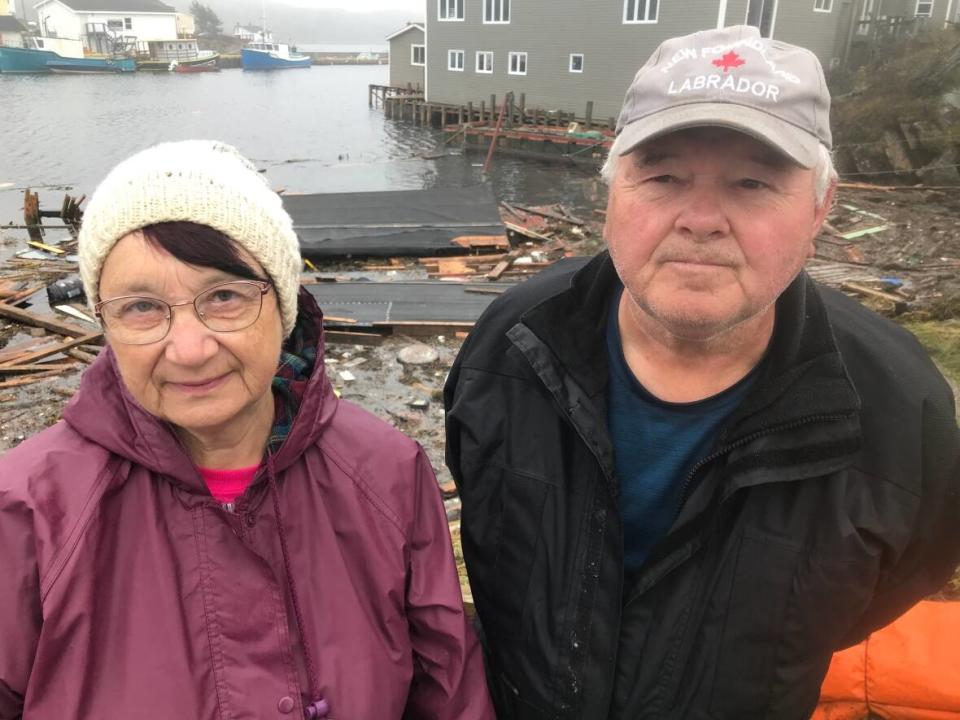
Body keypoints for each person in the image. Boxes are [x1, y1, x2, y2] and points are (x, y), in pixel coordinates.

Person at [444, 25, 960, 719]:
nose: (702, 220)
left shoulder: (900, 411)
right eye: (662, 177)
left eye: (753, 183)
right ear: (612, 194)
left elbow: (898, 580)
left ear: (819, 211)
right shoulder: (510, 349)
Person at [0, 140, 494, 720]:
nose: (188, 348)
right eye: (141, 307)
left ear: (283, 306)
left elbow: (449, 697)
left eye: (225, 296)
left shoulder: (387, 476)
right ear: (104, 321)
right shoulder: (27, 512)